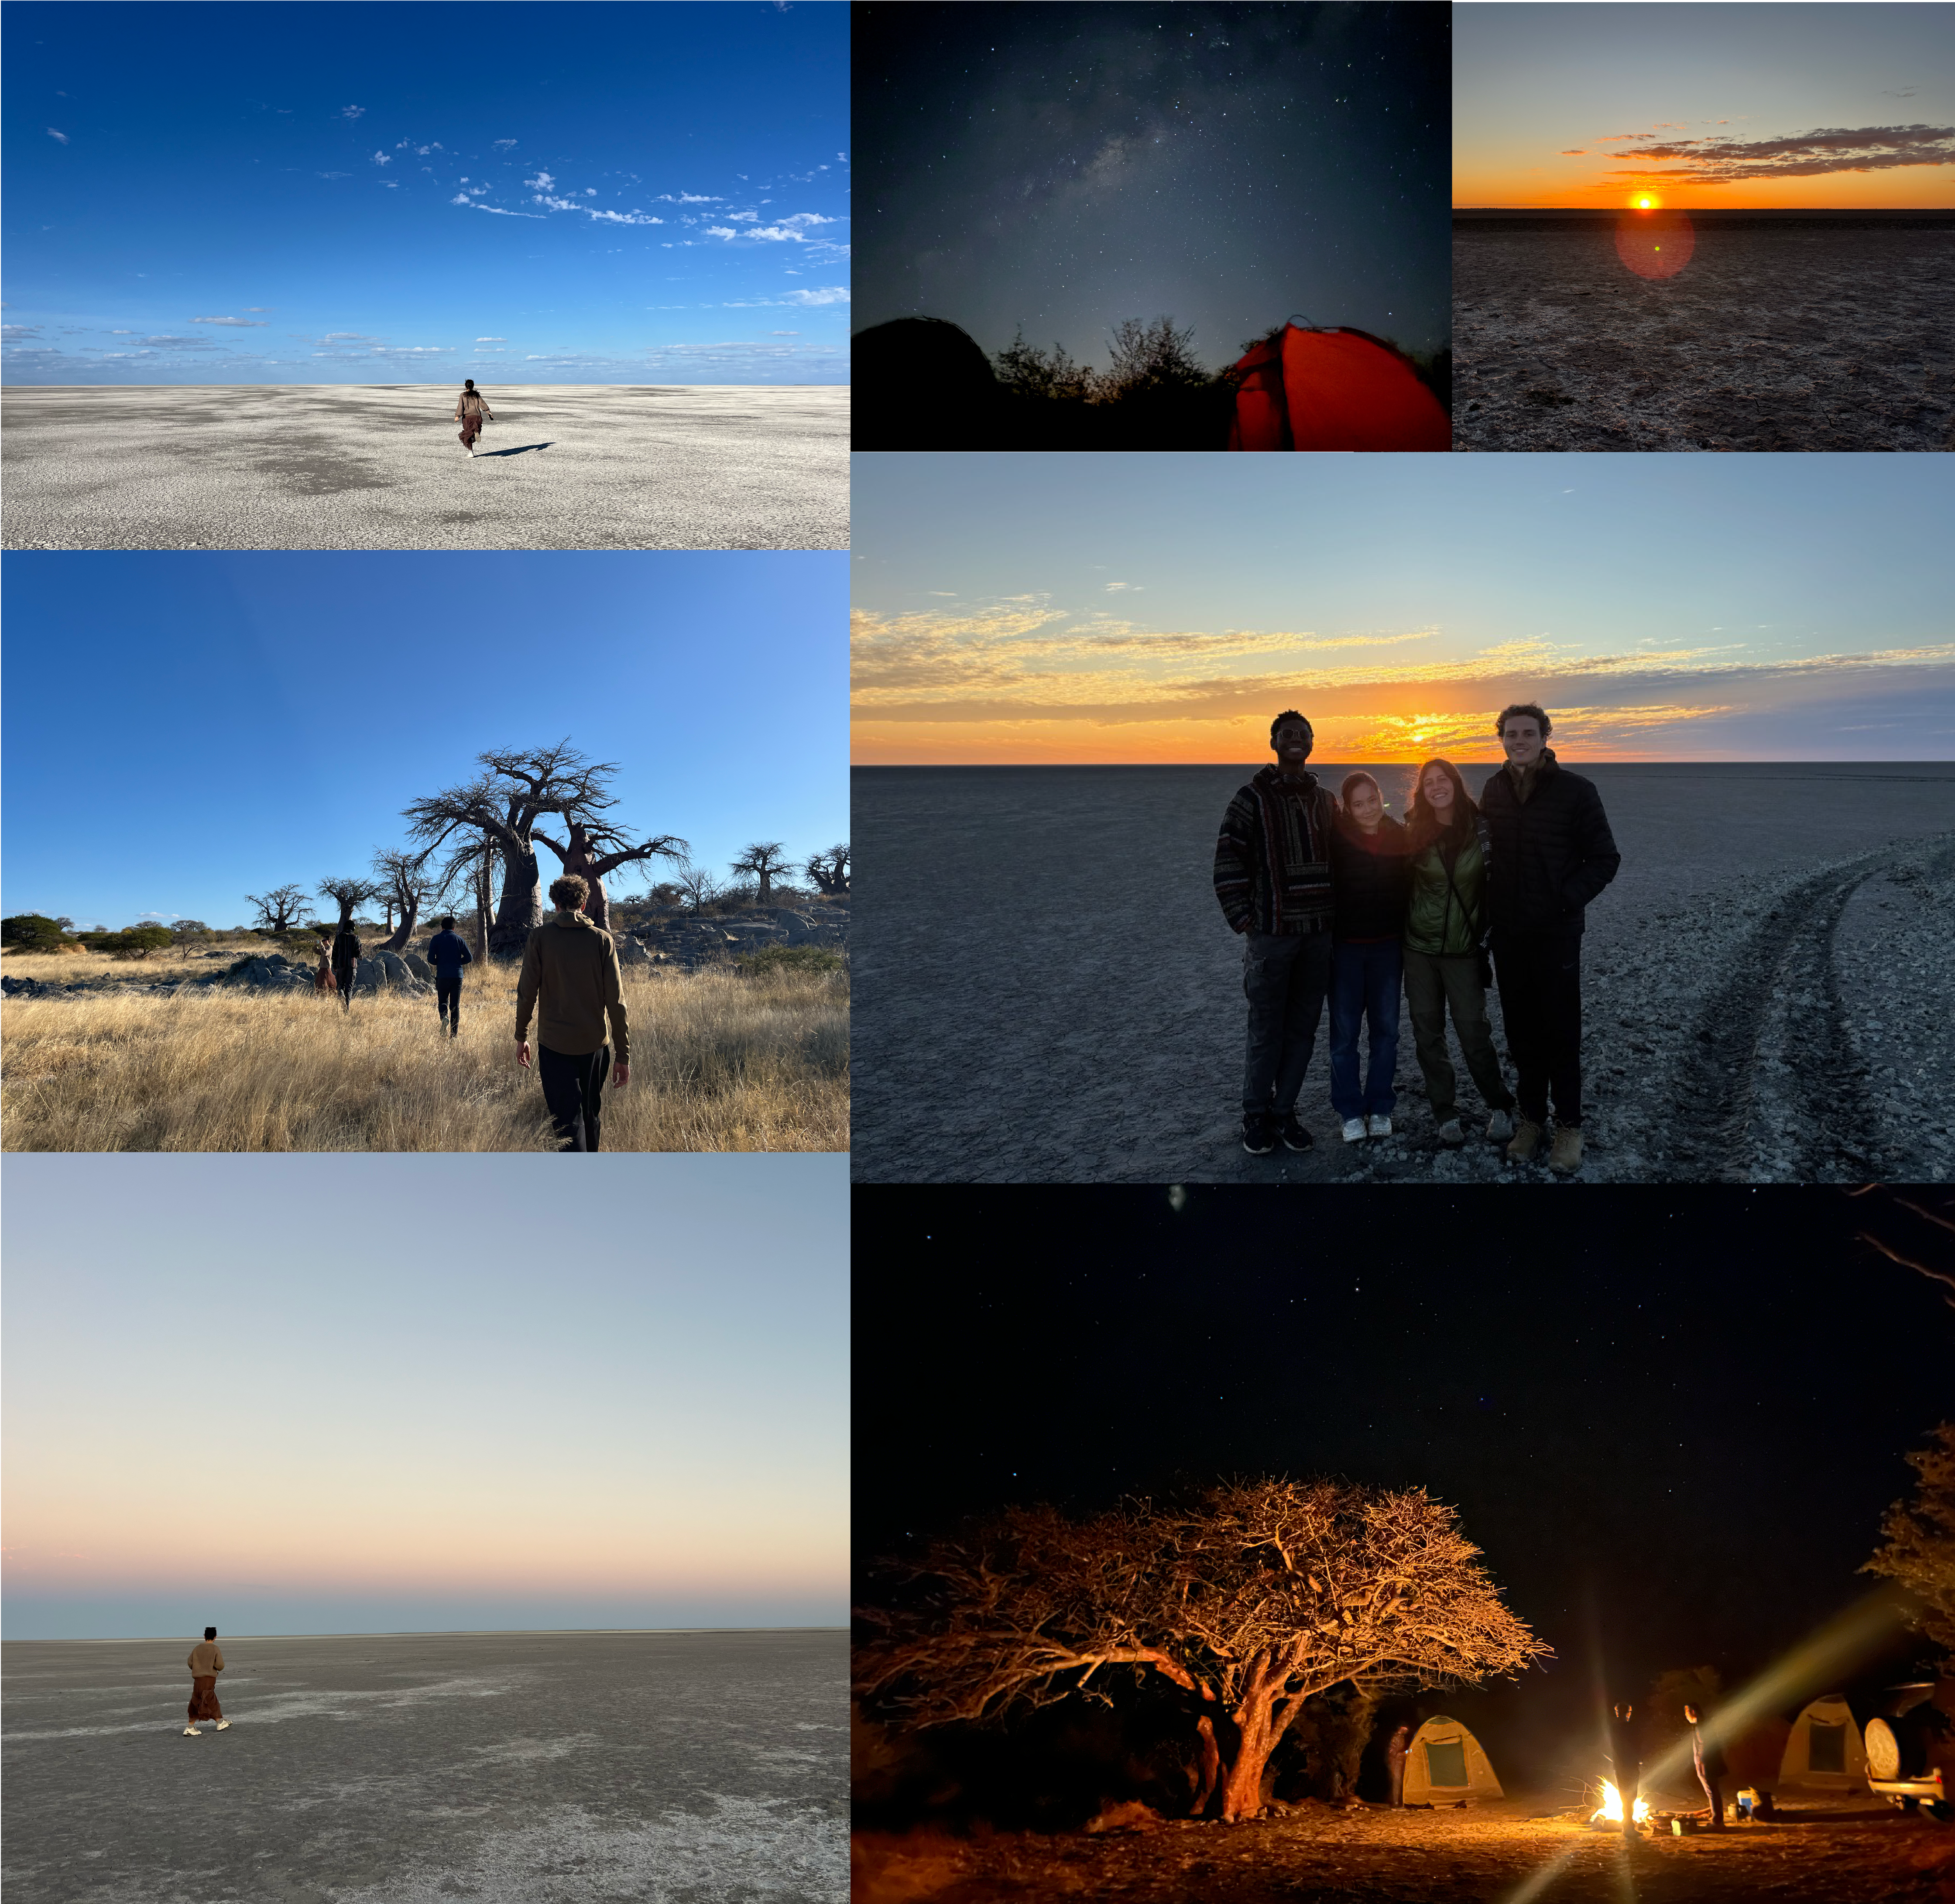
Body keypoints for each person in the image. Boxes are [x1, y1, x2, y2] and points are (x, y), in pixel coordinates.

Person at [1478, 704, 1621, 1176]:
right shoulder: (1494, 789)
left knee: (1560, 1032)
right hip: (1509, 935)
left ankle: (1569, 1127)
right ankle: (1532, 1120)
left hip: (1556, 935)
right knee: (1521, 1034)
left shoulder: (1576, 791)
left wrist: (1564, 901)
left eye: (1528, 733)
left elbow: (1604, 858)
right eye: (1510, 733)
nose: (1518, 740)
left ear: (1544, 737)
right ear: (1500, 738)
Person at [1213, 710, 1338, 1156]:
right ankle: (1255, 1114)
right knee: (1266, 1028)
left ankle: (1285, 1111)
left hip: (1318, 937)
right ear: (1273, 742)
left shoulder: (1326, 800)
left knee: (1303, 1028)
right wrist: (1245, 919)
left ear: (1312, 742)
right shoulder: (1252, 798)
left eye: (1303, 735)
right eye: (1288, 735)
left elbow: (1345, 858)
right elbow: (1228, 859)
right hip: (1271, 936)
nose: (1296, 741)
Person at [1400, 758, 1517, 1148]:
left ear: (1455, 782)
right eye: (1428, 781)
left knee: (1473, 1031)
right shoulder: (1413, 830)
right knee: (1427, 1033)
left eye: (1442, 779)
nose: (1436, 786)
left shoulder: (1481, 828)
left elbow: (1500, 883)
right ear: (1423, 790)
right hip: (1418, 948)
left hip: (1464, 950)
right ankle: (1445, 1113)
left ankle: (1500, 1105)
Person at [514, 874, 631, 1152]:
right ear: (584, 902)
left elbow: (527, 992)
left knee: (568, 1123)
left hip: (554, 1046)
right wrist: (623, 1054)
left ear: (554, 902)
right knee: (591, 1115)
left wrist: (521, 1036)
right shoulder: (602, 941)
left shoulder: (540, 938)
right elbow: (616, 1001)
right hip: (595, 1047)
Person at [1326, 772, 1410, 1144]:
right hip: (1345, 949)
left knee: (1386, 1032)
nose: (1367, 809)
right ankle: (1349, 1111)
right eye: (1357, 804)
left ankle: (1380, 1106)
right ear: (1348, 807)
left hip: (1388, 948)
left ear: (1381, 796)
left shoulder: (1399, 837)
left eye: (1371, 800)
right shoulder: (1336, 840)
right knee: (1345, 1035)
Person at [426, 913, 473, 1039]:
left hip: (442, 975)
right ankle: (454, 1036)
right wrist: (457, 962)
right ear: (454, 928)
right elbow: (469, 958)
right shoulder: (460, 939)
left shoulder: (436, 939)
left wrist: (440, 963)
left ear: (442, 928)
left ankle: (444, 1018)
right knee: (455, 1006)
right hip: (457, 976)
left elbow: (430, 959)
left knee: (443, 1002)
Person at [1684, 1702, 1727, 1830]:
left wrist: (1701, 1762)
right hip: (1709, 1763)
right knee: (1714, 1792)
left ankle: (1717, 1822)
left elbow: (1704, 1744)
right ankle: (1718, 1820)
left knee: (1712, 1792)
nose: (1686, 1716)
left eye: (1686, 1712)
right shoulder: (1703, 1725)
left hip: (1707, 1764)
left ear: (1692, 1712)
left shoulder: (1700, 1726)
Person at [185, 1626, 230, 1736]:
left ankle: (190, 1727)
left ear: (204, 1636)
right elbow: (220, 1666)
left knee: (197, 1701)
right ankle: (220, 1722)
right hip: (209, 1679)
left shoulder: (197, 1648)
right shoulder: (215, 1649)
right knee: (209, 1700)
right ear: (215, 1637)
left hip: (198, 1680)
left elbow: (190, 1663)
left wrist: (198, 1668)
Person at [1607, 1703, 1640, 1838]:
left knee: (1625, 1797)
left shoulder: (1613, 1729)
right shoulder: (1630, 1729)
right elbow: (1636, 1747)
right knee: (1630, 1798)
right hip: (1630, 1766)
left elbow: (1613, 1749)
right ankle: (1628, 1828)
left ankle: (1628, 1827)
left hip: (1620, 1766)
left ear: (1617, 1713)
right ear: (1628, 1713)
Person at [454, 378, 496, 456]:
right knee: (473, 432)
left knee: (467, 435)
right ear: (473, 386)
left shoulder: (463, 395)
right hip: (477, 417)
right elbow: (482, 404)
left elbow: (460, 407)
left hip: (467, 418)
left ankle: (471, 452)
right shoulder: (476, 395)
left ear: (466, 386)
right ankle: (476, 432)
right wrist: (488, 412)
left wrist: (457, 416)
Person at [330, 919, 363, 1013]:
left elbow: (335, 953)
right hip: (352, 966)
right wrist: (360, 957)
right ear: (353, 928)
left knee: (340, 985)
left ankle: (341, 994)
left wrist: (335, 966)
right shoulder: (356, 938)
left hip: (341, 965)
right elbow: (359, 953)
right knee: (349, 987)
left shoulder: (339, 937)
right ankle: (347, 1009)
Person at [1385, 1722, 1411, 1806]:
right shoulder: (1396, 1738)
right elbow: (1394, 1752)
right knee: (1397, 1781)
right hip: (1396, 1763)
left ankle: (1396, 1801)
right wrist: (1405, 1753)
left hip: (1399, 1762)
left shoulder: (1401, 1738)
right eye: (1404, 1729)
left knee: (1398, 1782)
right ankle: (1395, 1802)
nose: (1406, 1730)